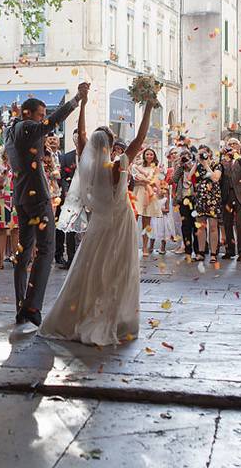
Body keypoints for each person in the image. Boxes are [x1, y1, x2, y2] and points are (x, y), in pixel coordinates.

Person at [39, 93, 155, 346]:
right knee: (119, 270)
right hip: (122, 221)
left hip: (99, 224)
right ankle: (115, 318)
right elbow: (140, 139)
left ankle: (87, 313)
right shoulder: (119, 164)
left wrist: (82, 105)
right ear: (111, 145)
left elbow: (80, 137)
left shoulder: (87, 167)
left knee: (91, 268)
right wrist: (147, 108)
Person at [5, 83, 89, 327]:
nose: (42, 120)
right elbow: (48, 124)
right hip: (36, 197)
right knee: (45, 248)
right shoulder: (28, 127)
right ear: (28, 114)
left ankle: (21, 305)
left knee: (24, 251)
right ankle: (32, 306)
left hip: (21, 197)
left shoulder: (11, 130)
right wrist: (75, 101)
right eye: (39, 115)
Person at [219, 137, 241, 261]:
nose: (232, 146)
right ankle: (229, 250)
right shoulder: (224, 161)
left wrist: (237, 156)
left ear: (239, 146)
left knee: (240, 224)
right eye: (230, 144)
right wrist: (221, 156)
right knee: (227, 223)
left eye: (234, 144)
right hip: (227, 195)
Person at [56, 129, 82, 269]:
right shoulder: (66, 157)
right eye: (75, 138)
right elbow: (62, 176)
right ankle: (71, 259)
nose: (77, 141)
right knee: (70, 228)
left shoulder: (91, 156)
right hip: (71, 197)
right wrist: (66, 191)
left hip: (86, 196)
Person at [193, 145, 223, 263]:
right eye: (200, 154)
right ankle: (200, 252)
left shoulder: (216, 164)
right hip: (201, 197)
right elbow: (190, 176)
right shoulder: (198, 166)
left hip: (213, 197)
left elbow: (215, 178)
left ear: (209, 153)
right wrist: (196, 162)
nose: (202, 156)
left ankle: (213, 253)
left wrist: (206, 164)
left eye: (204, 153)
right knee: (201, 226)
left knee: (213, 226)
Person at [132, 147, 164, 256]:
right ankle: (131, 246)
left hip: (148, 195)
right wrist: (143, 181)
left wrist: (144, 181)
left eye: (151, 154)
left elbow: (154, 182)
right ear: (144, 156)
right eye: (147, 154)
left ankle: (145, 247)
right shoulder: (139, 166)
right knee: (132, 221)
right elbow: (134, 180)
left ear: (154, 156)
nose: (149, 156)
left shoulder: (155, 168)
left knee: (147, 223)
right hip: (137, 194)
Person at [149, 147, 180, 254]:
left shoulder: (165, 189)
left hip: (165, 209)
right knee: (153, 229)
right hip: (155, 211)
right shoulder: (153, 188)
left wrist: (165, 207)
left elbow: (166, 194)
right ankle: (150, 247)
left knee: (164, 229)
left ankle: (163, 247)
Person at [0, 149, 17, 269]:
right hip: (2, 200)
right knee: (1, 230)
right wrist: (5, 174)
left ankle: (16, 258)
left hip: (16, 199)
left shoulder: (19, 164)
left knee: (15, 229)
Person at [172, 148, 199, 258]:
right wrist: (180, 166)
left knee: (196, 225)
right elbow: (174, 179)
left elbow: (198, 178)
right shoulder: (180, 169)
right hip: (183, 199)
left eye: (187, 157)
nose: (185, 159)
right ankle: (188, 250)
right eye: (183, 157)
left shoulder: (196, 167)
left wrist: (191, 165)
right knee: (185, 225)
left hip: (195, 199)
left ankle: (199, 250)